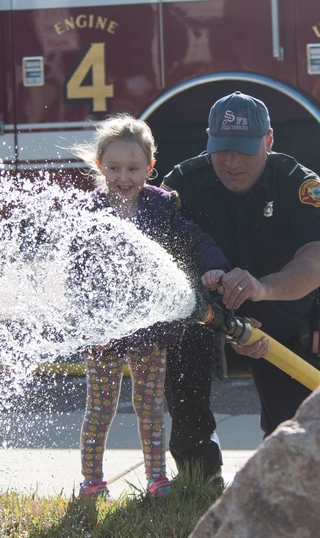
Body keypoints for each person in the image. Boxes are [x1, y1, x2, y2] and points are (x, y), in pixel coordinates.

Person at [161, 91, 320, 484]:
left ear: (269, 141)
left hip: (281, 321)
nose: (231, 162)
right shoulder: (182, 184)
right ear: (208, 141)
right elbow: (155, 259)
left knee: (295, 450)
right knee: (177, 343)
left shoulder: (300, 187)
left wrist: (261, 289)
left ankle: (280, 480)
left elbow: (317, 265)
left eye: (243, 150)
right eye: (222, 150)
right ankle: (198, 473)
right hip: (205, 314)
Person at [68, 114, 229, 499]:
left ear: (150, 169)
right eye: (114, 168)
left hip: (150, 327)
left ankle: (157, 477)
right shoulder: (88, 212)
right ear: (99, 166)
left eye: (134, 168)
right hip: (104, 330)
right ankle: (92, 481)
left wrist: (214, 267)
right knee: (100, 408)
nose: (123, 177)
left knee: (150, 405)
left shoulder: (160, 206)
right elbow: (77, 274)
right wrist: (92, 326)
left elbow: (193, 238)